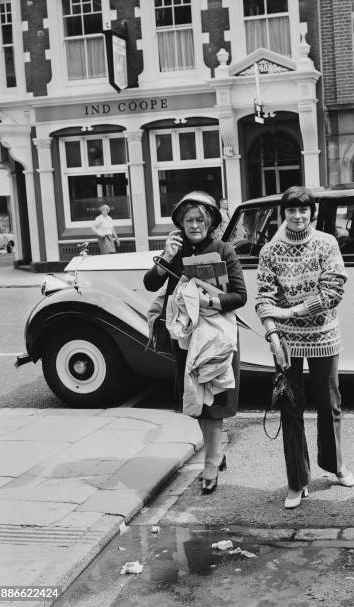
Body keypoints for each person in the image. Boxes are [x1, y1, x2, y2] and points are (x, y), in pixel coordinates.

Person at [255, 185, 354, 509]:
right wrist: (272, 334)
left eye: (304, 210)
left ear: (312, 212)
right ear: (283, 213)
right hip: (285, 340)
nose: (298, 216)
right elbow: (263, 298)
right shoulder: (270, 251)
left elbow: (333, 291)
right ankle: (297, 481)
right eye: (292, 210)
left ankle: (335, 465)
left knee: (329, 405)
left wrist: (290, 311)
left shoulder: (326, 243)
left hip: (324, 335)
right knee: (291, 407)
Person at [144, 191, 247, 494]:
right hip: (186, 338)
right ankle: (217, 454)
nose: (194, 225)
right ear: (180, 222)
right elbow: (151, 283)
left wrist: (211, 300)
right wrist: (164, 259)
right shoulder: (175, 251)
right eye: (189, 220)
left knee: (214, 400)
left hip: (215, 336)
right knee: (198, 401)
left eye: (200, 219)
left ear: (211, 221)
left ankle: (211, 463)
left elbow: (240, 295)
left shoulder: (223, 250)